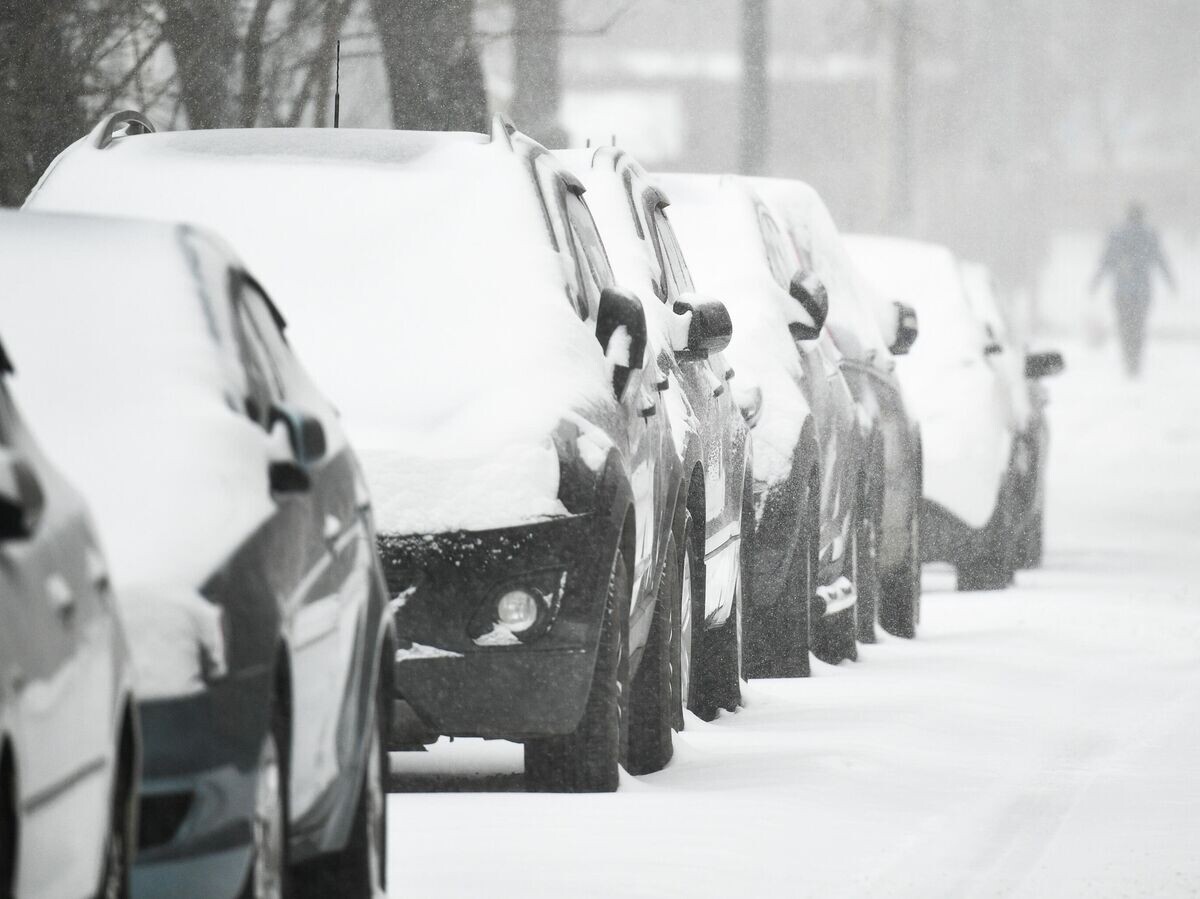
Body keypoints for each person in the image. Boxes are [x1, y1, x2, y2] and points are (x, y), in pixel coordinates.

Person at [1091, 202, 1176, 377]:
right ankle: (1136, 361)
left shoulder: (1117, 234)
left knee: (1124, 326)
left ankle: (1128, 360)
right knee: (1139, 325)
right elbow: (1160, 259)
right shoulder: (1150, 235)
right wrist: (1170, 281)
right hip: (1142, 291)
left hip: (1122, 290)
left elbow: (1106, 260)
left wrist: (1096, 282)